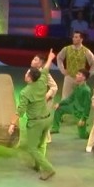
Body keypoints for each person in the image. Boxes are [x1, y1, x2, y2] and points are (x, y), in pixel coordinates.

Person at [8, 49, 58, 180]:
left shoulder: (25, 92)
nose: (25, 74)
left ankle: (48, 168)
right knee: (41, 144)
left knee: (32, 148)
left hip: (36, 122)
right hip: (47, 119)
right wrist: (50, 58)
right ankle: (38, 165)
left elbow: (20, 111)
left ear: (29, 78)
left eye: (27, 73)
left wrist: (12, 124)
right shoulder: (41, 80)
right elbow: (46, 69)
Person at [54, 31, 94, 101]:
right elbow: (59, 58)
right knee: (65, 99)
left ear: (81, 39)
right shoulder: (67, 49)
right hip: (69, 77)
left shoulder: (86, 51)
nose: (73, 39)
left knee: (79, 99)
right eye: (73, 37)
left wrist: (87, 75)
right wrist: (62, 69)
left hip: (80, 79)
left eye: (76, 37)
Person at [52, 68, 91, 138]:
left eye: (79, 74)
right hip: (73, 108)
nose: (76, 75)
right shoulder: (77, 87)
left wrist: (83, 119)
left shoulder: (86, 90)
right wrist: (59, 104)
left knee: (83, 135)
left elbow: (87, 106)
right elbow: (70, 99)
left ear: (84, 78)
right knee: (59, 109)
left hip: (80, 113)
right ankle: (55, 128)